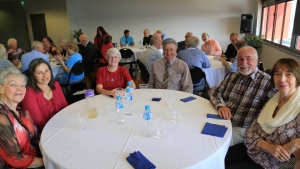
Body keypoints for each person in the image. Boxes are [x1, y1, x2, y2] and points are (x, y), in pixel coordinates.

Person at [226, 58, 300, 169]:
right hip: (251, 149)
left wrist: (296, 143)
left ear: (297, 79)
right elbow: (249, 132)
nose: (282, 79)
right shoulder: (273, 101)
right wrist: (266, 146)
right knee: (214, 159)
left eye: (289, 74)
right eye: (277, 74)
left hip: (268, 164)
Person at [210, 46, 277, 146]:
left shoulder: (268, 82)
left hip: (241, 128)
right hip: (220, 119)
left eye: (248, 58)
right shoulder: (232, 76)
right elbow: (214, 92)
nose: (244, 63)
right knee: (197, 132)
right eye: (240, 59)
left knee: (213, 144)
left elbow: (269, 114)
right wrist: (221, 105)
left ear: (257, 61)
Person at [0, 67, 44, 168]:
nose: (20, 89)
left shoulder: (23, 112)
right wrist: (48, 161)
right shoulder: (2, 117)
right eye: (13, 84)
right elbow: (15, 159)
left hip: (36, 158)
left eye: (23, 85)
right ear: (1, 89)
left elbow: (35, 138)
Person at [22, 58, 68, 134]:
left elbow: (65, 106)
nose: (45, 75)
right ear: (33, 75)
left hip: (63, 125)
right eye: (40, 73)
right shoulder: (29, 94)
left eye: (47, 71)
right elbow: (39, 123)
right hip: (46, 133)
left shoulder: (55, 84)